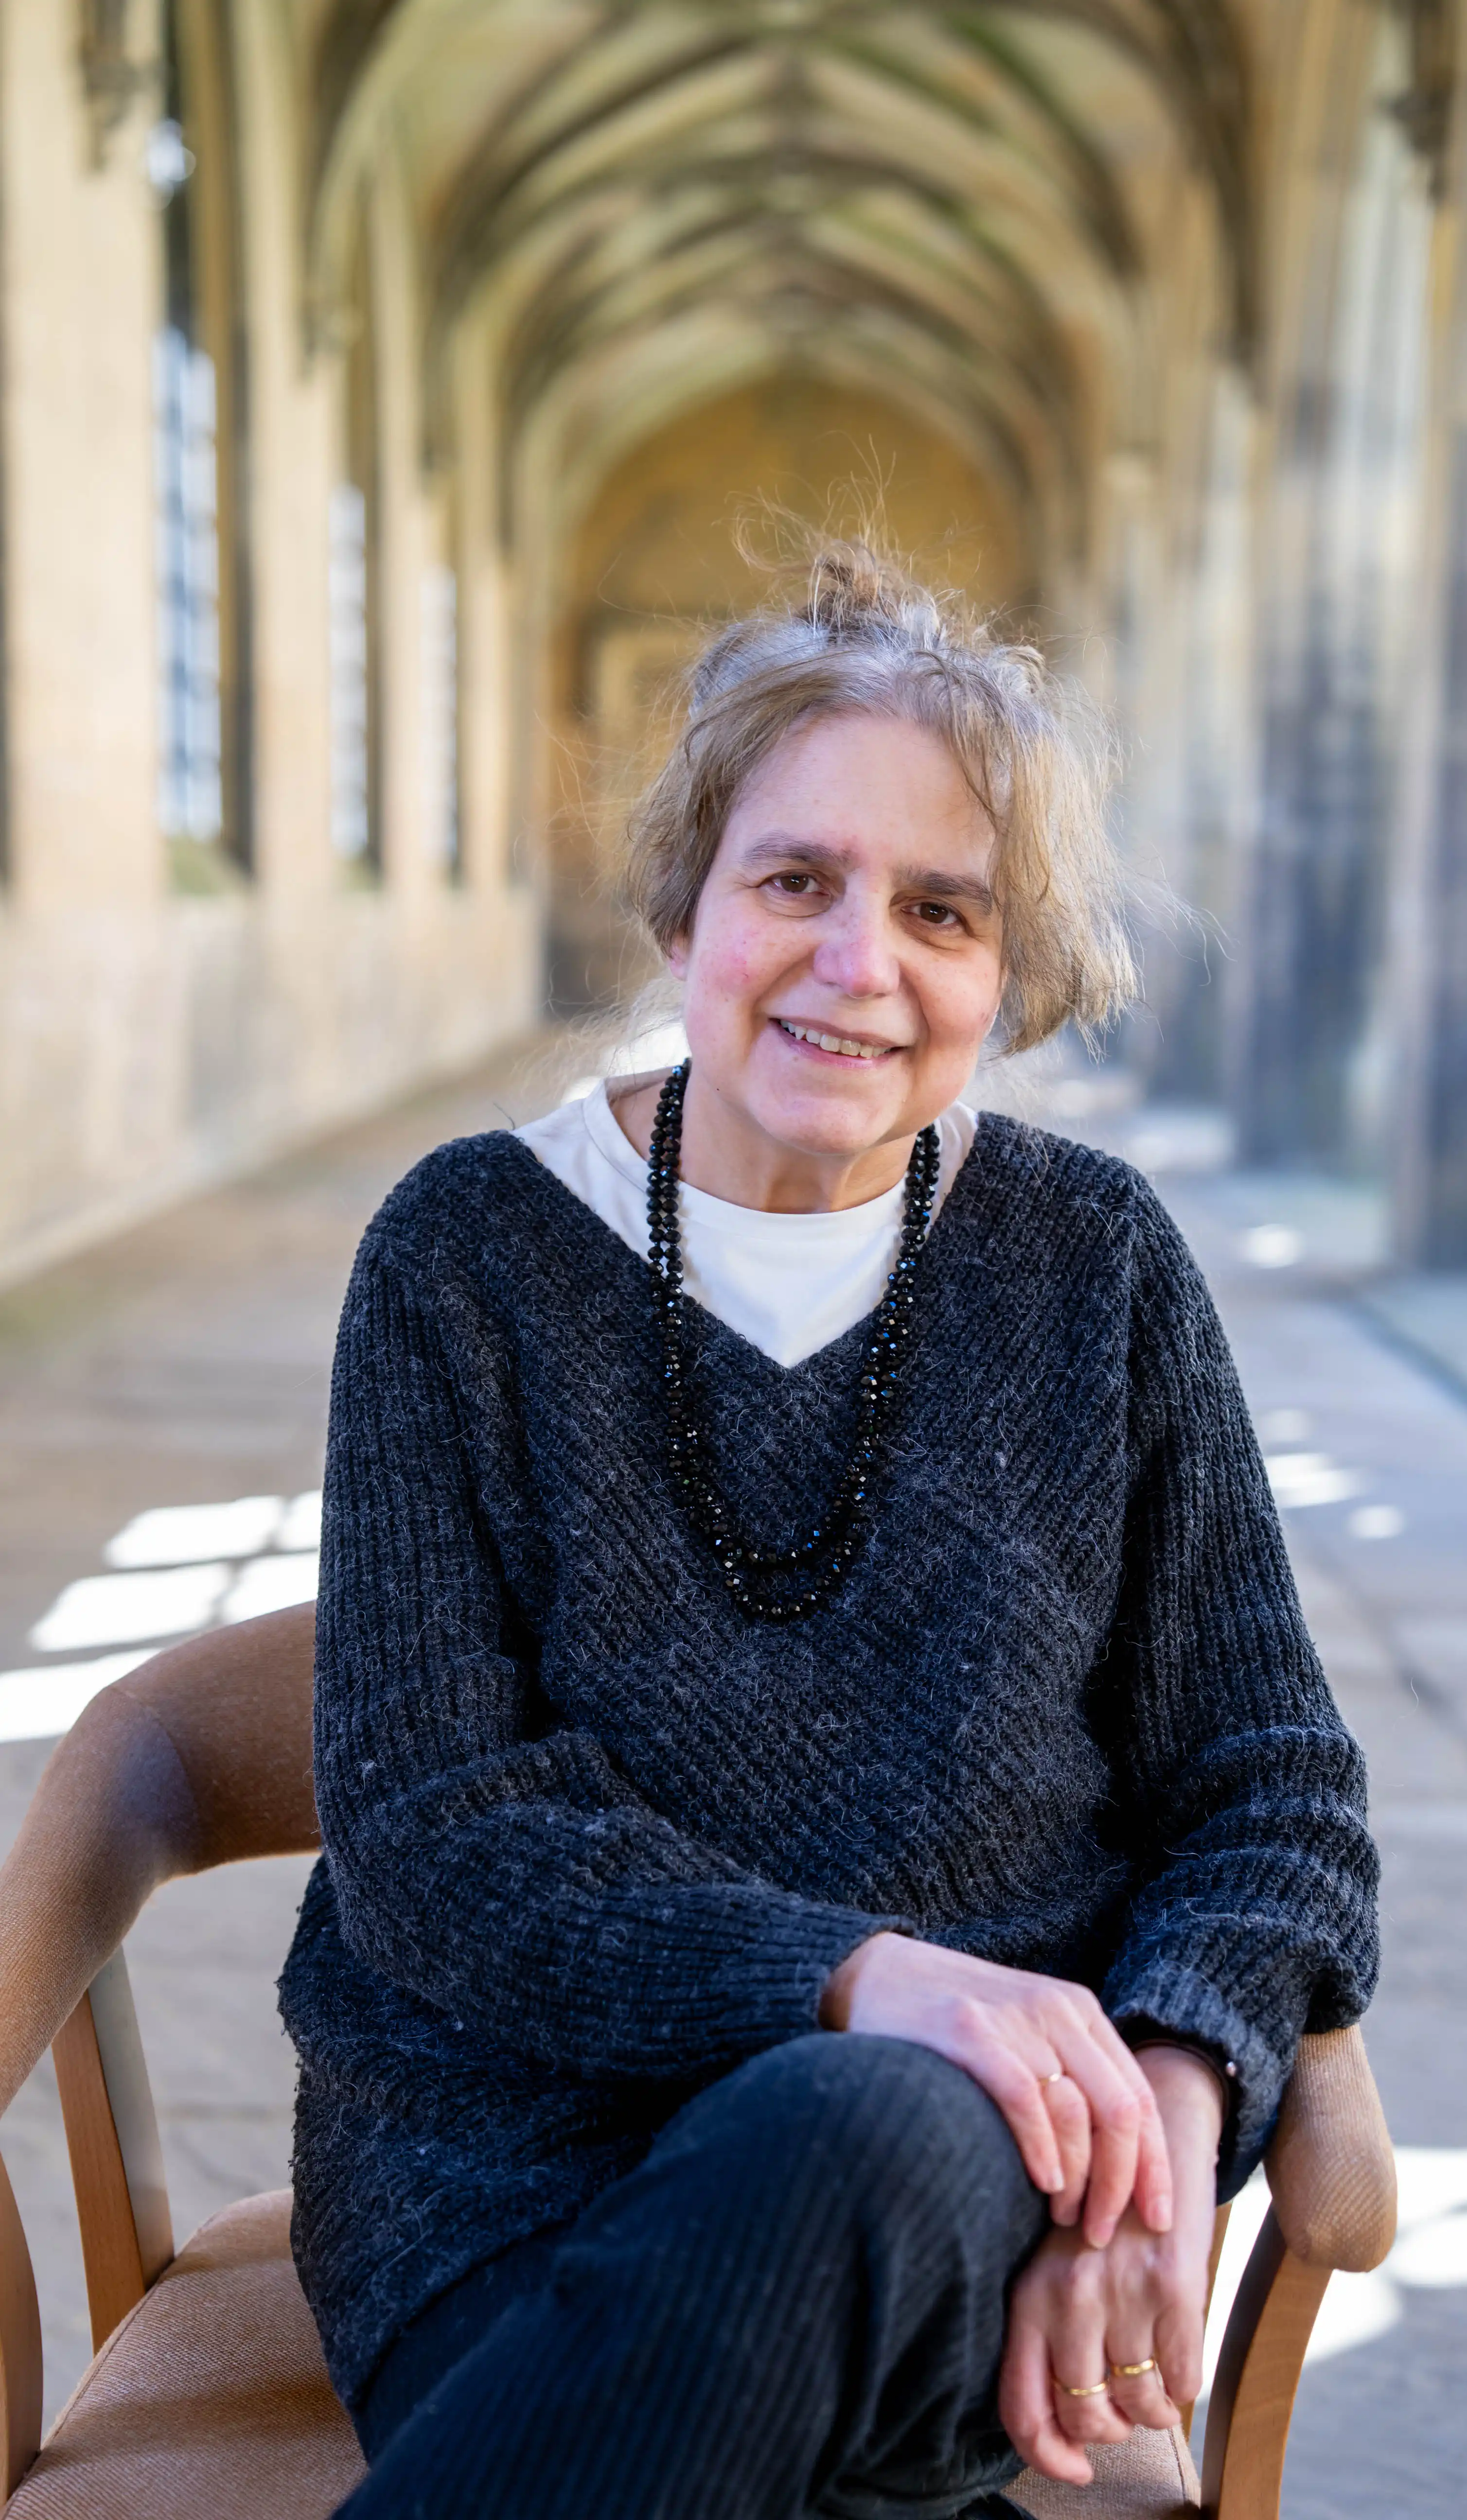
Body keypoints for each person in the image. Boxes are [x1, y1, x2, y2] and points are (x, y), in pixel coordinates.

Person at [280, 545, 1378, 2520]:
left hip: (974, 2184)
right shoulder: (464, 1254)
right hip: (515, 2189)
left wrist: (1180, 2088)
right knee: (853, 2151)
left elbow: (1274, 1787)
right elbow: (434, 1835)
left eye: (942, 910)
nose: (858, 964)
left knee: (876, 2136)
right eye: (797, 881)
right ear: (691, 898)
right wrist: (872, 1977)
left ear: (1011, 974)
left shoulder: (1099, 1264)